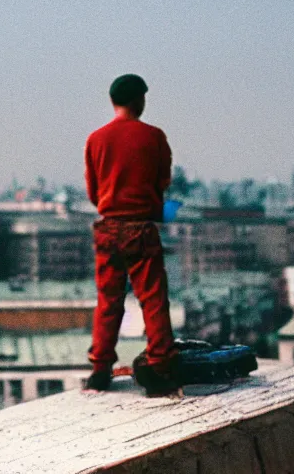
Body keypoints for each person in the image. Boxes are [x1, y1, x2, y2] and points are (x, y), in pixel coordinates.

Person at [83, 74, 180, 395]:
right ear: (139, 100)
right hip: (140, 228)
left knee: (108, 301)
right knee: (152, 300)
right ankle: (160, 366)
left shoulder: (96, 140)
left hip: (108, 229)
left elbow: (94, 193)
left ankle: (99, 370)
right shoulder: (153, 137)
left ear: (113, 102)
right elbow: (162, 182)